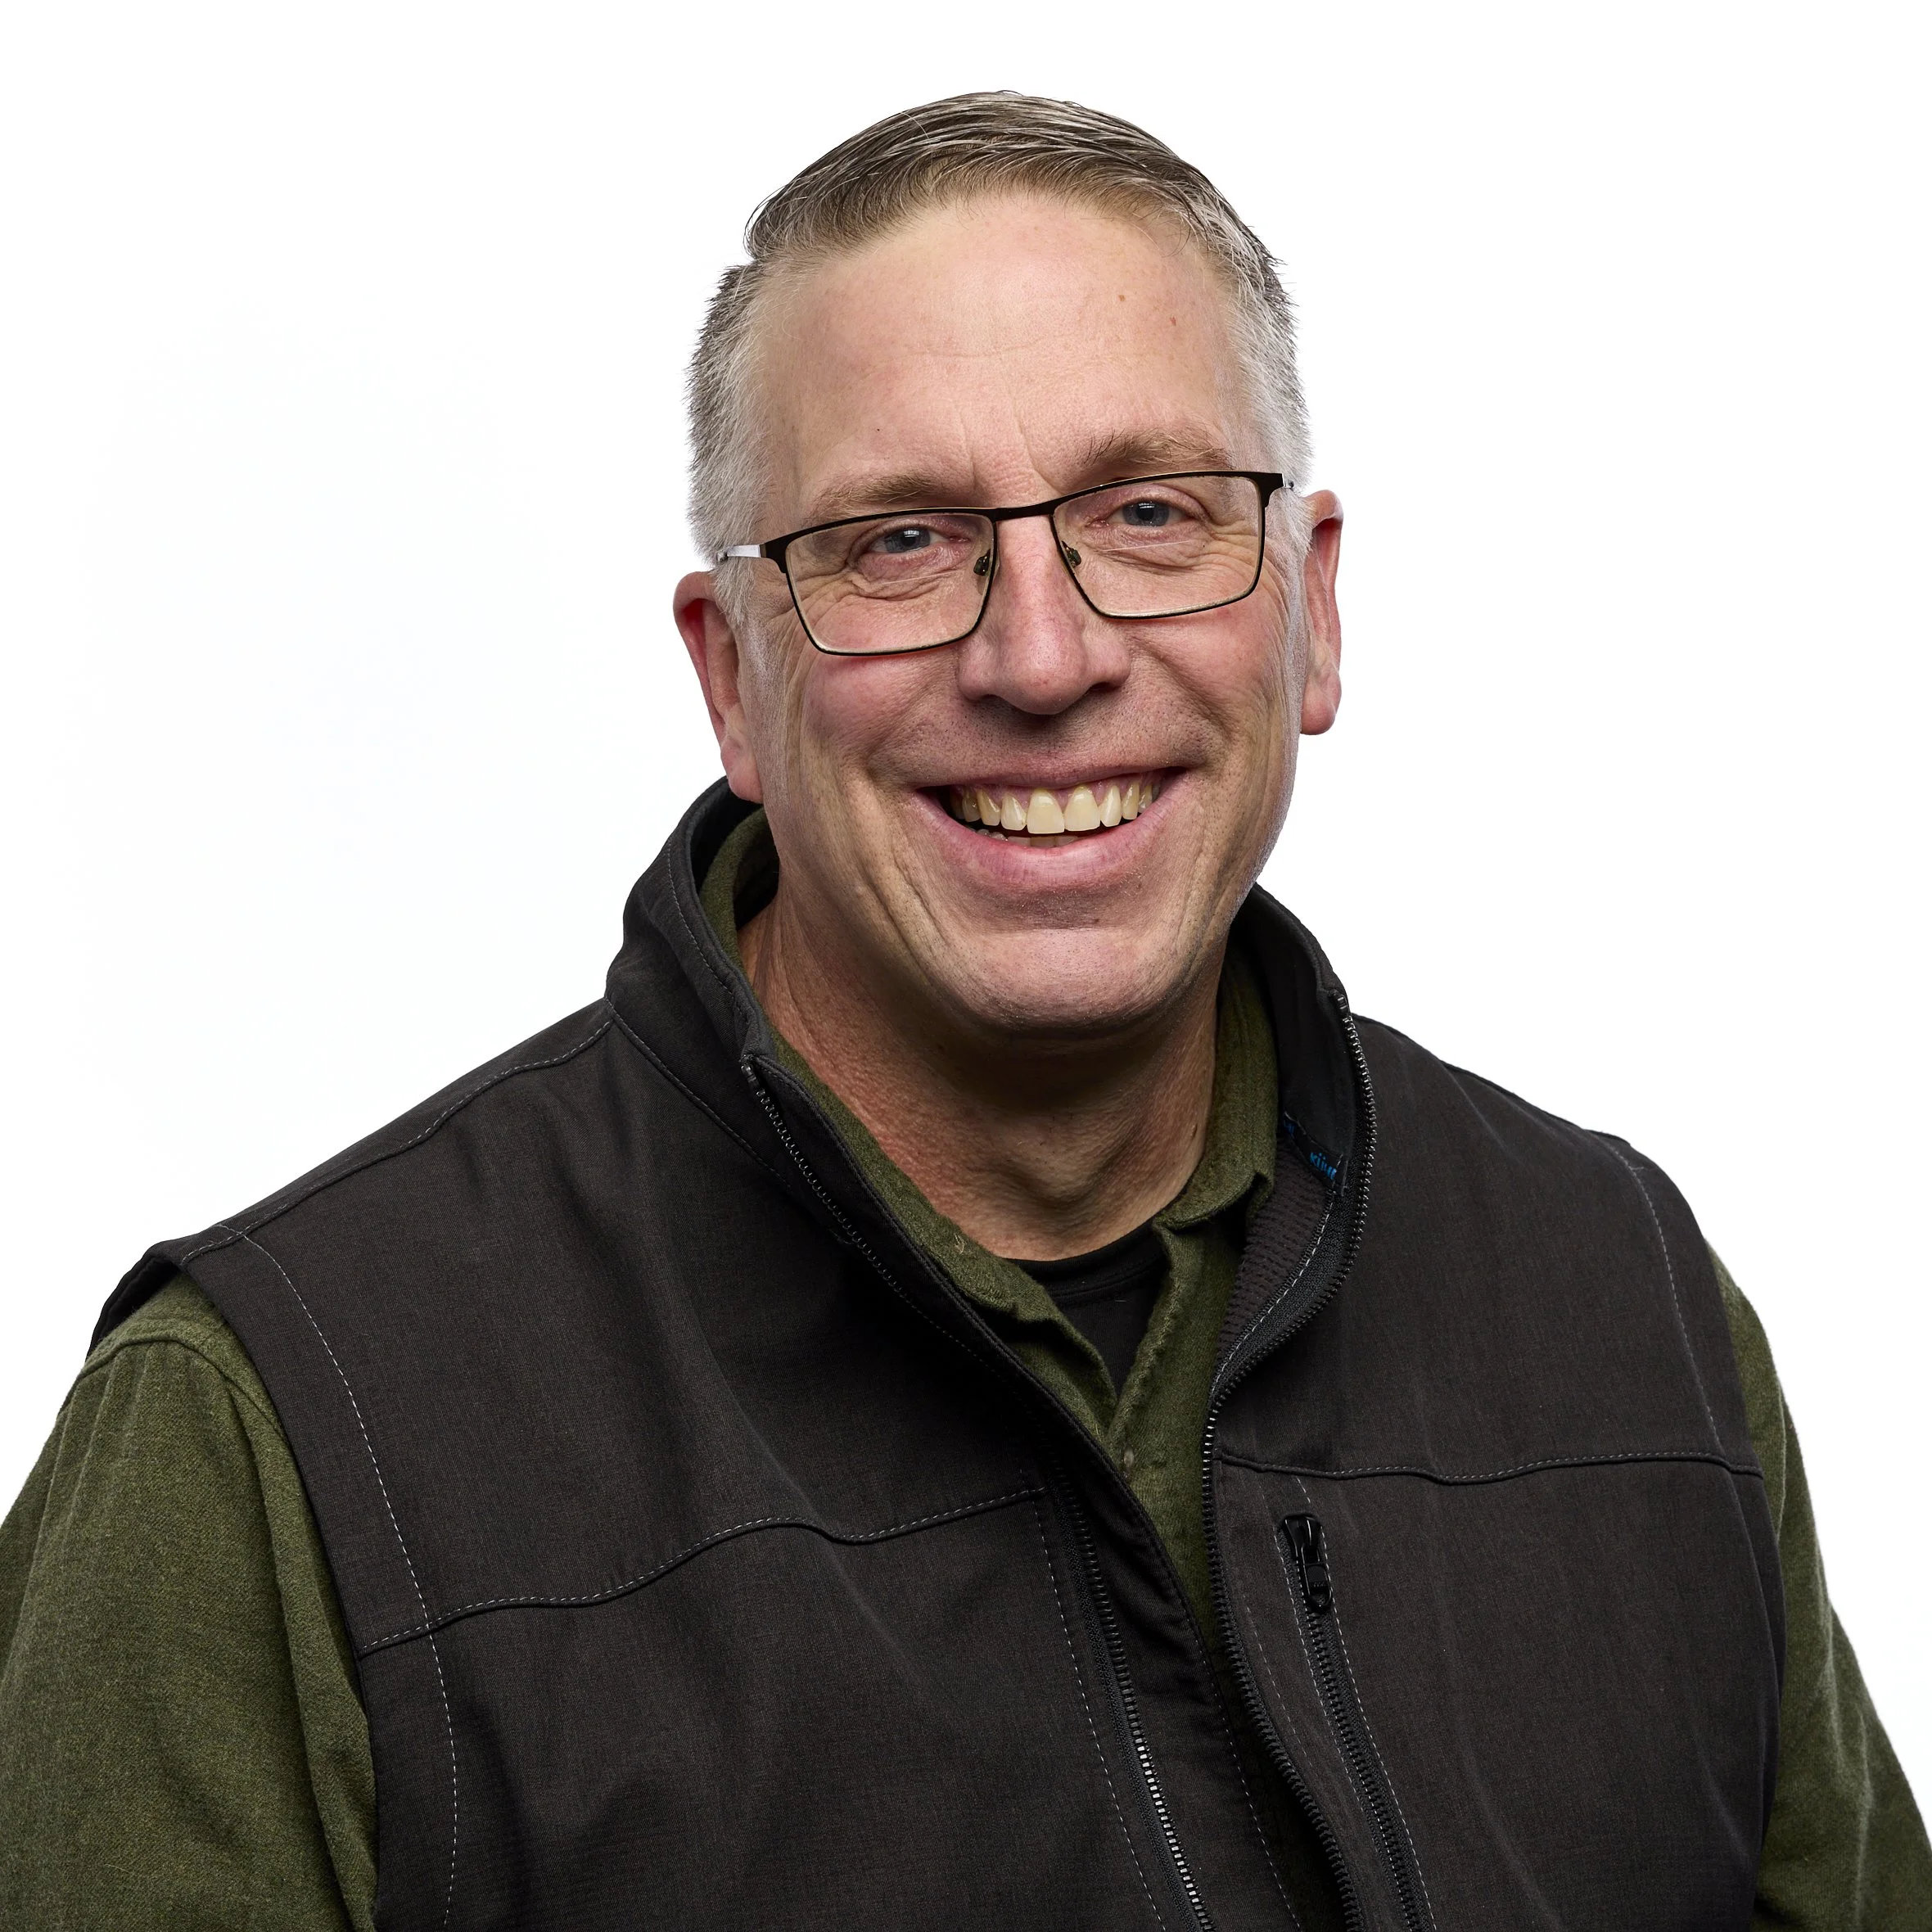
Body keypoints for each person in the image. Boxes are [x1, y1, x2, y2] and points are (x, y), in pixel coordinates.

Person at [0, 90, 1924, 1932]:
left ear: (1311, 605)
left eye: (1154, 510)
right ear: (733, 676)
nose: (1043, 652)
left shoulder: (1627, 1311)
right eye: (898, 541)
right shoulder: (267, 1442)